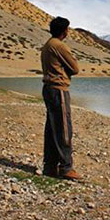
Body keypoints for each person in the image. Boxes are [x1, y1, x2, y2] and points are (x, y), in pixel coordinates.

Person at [40, 16, 82, 180]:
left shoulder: (47, 45)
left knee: (52, 128)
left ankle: (50, 166)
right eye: (67, 29)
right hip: (59, 89)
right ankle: (66, 167)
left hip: (49, 88)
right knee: (64, 128)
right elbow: (75, 68)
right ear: (64, 31)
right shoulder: (59, 45)